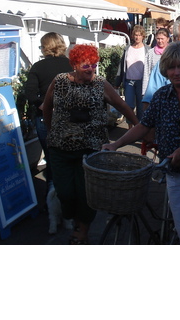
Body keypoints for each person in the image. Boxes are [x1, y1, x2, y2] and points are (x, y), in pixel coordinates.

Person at [103, 42, 180, 244]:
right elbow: (144, 126)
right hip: (175, 172)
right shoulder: (162, 96)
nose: (176, 72)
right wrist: (116, 144)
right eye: (171, 67)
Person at [42, 44, 139, 244]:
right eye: (87, 66)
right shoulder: (59, 81)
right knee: (65, 193)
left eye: (94, 65)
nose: (92, 70)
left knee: (86, 194)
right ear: (75, 65)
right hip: (60, 148)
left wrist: (139, 127)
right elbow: (47, 107)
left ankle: (82, 231)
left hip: (91, 148)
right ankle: (75, 221)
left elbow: (122, 105)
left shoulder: (100, 84)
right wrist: (51, 131)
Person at [25, 32, 73, 185]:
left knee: (51, 157)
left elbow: (30, 93)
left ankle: (51, 197)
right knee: (69, 156)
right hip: (70, 117)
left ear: (45, 47)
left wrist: (45, 107)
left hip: (45, 118)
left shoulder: (38, 67)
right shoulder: (71, 64)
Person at [114, 25, 149, 122]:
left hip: (142, 82)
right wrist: (117, 82)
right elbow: (122, 66)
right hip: (129, 81)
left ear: (143, 36)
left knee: (141, 107)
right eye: (135, 35)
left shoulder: (147, 50)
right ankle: (130, 129)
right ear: (133, 36)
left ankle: (140, 129)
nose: (137, 37)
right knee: (129, 106)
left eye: (139, 35)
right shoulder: (127, 49)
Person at [141, 27, 171, 97]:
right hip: (154, 87)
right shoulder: (150, 53)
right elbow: (146, 72)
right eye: (158, 39)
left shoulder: (171, 52)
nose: (160, 41)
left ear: (168, 39)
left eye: (162, 39)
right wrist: (144, 92)